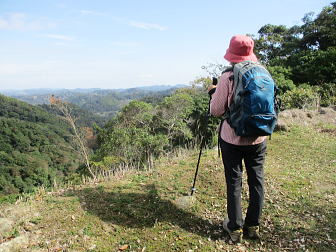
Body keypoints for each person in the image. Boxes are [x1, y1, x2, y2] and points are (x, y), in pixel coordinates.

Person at [208, 35, 267, 243]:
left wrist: (213, 94)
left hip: (232, 138)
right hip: (258, 137)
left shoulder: (228, 76)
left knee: (234, 181)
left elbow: (216, 110)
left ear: (231, 54)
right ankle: (253, 225)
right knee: (257, 180)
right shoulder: (263, 72)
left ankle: (234, 228)